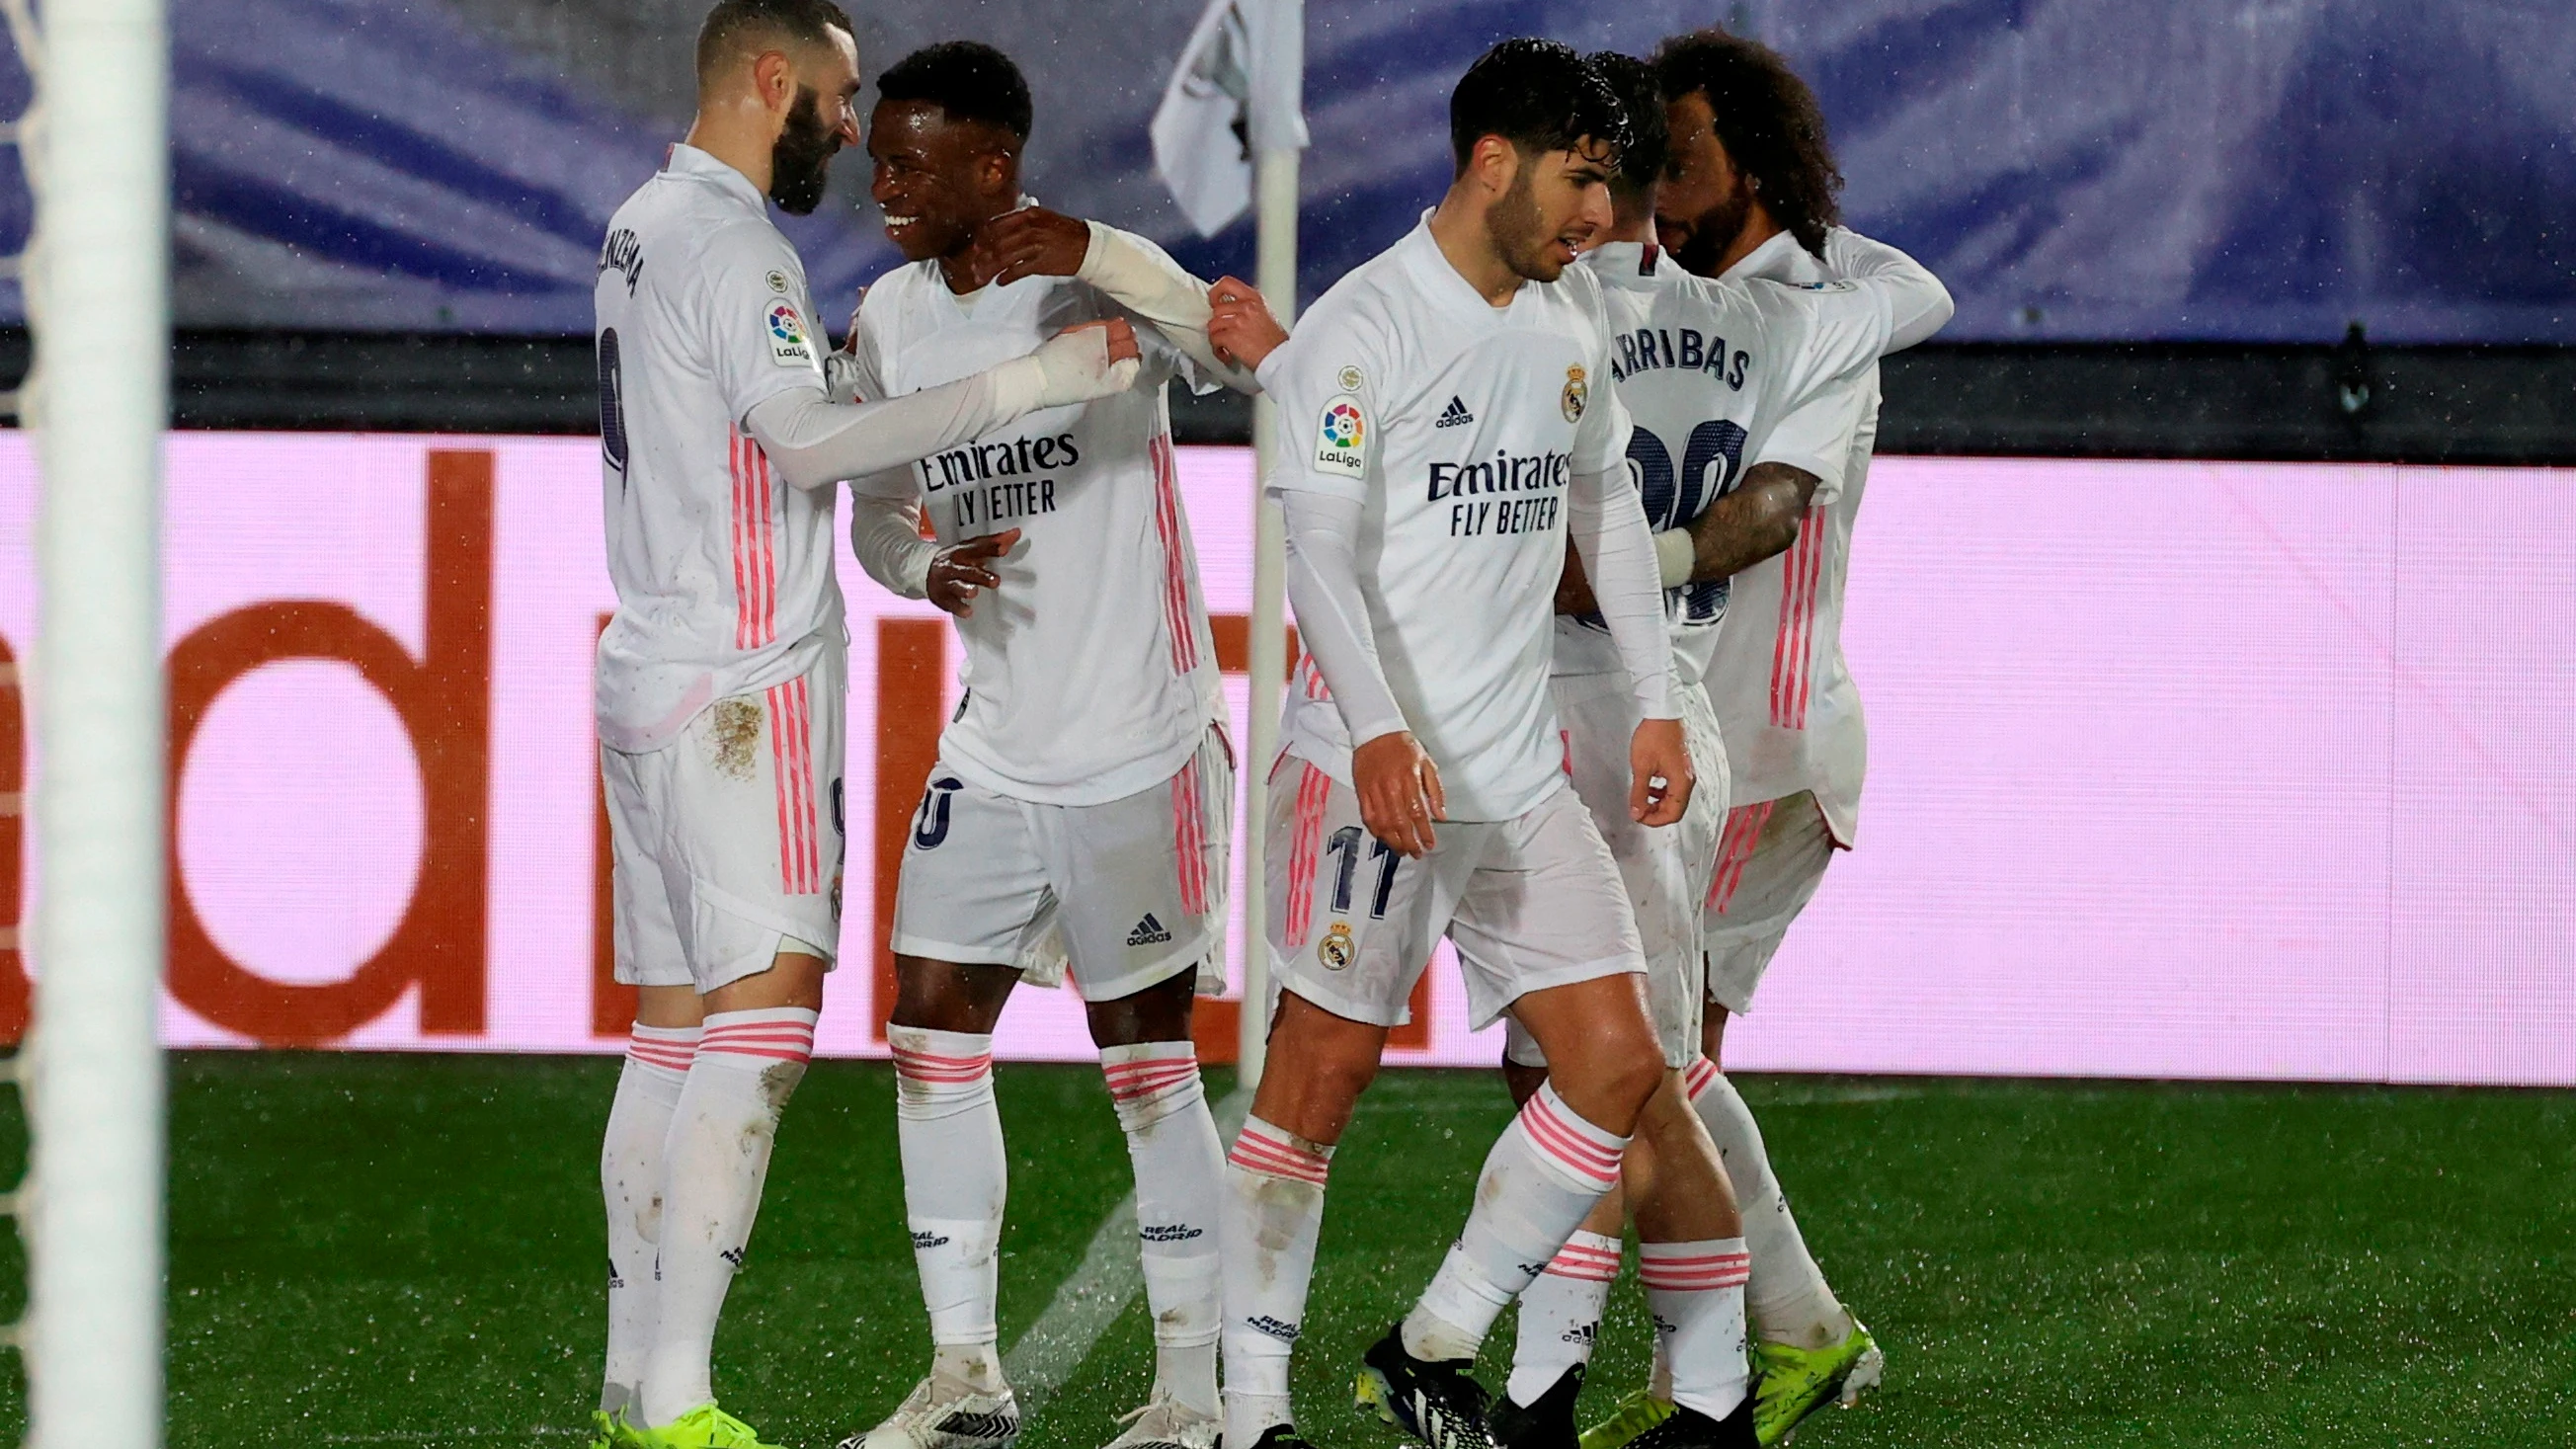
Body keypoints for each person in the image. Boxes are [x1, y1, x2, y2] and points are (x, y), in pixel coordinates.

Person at [590, 7, 1142, 1447]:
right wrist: (1036, 381)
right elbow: (814, 445)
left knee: (669, 1038)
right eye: (835, 98)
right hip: (738, 682)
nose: (850, 128)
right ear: (768, 80)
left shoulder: (639, 223)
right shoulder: (734, 248)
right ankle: (679, 1401)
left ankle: (624, 1386)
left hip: (645, 656)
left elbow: (760, 428)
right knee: (762, 1033)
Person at [1208, 38, 1703, 1449]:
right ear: (1494, 161)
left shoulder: (1571, 314)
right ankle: (1250, 1416)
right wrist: (1373, 731)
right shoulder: (1366, 327)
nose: (1601, 219)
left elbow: (1601, 493)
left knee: (1614, 1062)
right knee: (1315, 1084)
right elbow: (1314, 553)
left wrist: (1656, 692)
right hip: (1376, 771)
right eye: (1584, 181)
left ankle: (1427, 1343)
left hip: (1519, 768)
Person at [831, 40, 1287, 1449]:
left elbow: (1242, 348)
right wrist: (922, 569)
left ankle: (1192, 1394)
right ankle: (966, 1378)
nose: (886, 185)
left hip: (1137, 745)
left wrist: (1100, 243)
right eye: (878, 161)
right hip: (999, 746)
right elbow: (875, 506)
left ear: (995, 167)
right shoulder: (889, 321)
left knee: (1145, 1061)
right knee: (926, 1030)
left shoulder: (1096, 281)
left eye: (913, 163)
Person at [1495, 51, 1952, 1449]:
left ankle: (1742, 1346)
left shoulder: (1824, 315)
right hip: (1690, 730)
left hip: (1757, 738)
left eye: (1674, 157)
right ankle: (1742, 1348)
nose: (1650, 187)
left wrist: (1616, 566)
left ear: (1746, 159)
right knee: (1625, 1066)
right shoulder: (1656, 299)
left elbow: (1764, 514)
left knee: (1612, 1062)